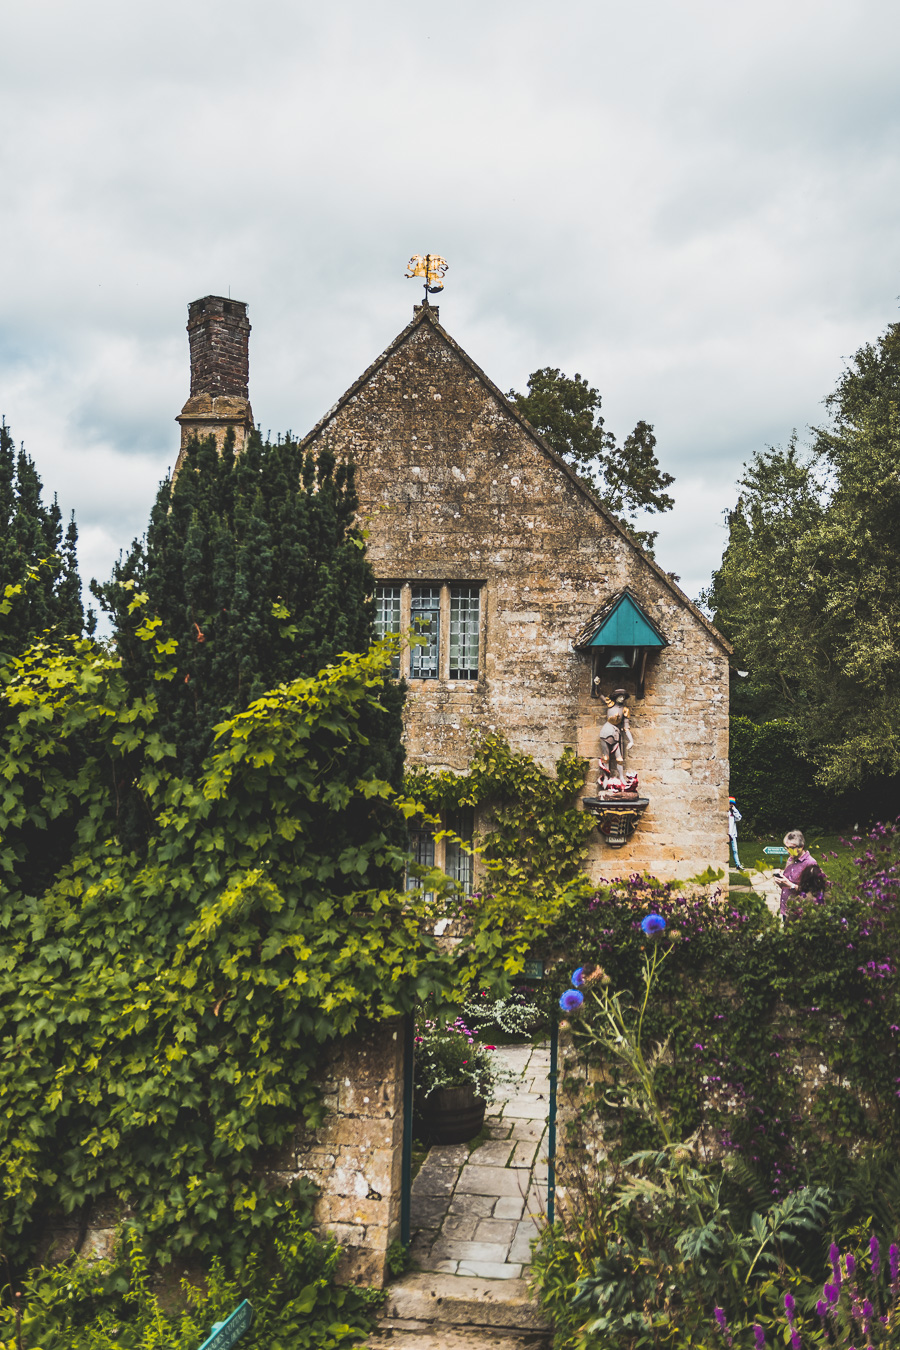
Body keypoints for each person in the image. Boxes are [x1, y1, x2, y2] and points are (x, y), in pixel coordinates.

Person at [772, 830, 821, 916]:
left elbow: (813, 891)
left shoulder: (810, 863)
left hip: (799, 911)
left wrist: (790, 885)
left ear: (801, 847)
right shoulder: (790, 859)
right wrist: (781, 880)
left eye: (791, 848)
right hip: (786, 908)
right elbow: (789, 881)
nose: (788, 851)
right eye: (786, 847)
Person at [728, 798, 742, 869]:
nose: (730, 805)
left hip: (733, 834)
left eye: (732, 804)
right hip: (727, 834)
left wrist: (734, 810)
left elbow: (739, 818)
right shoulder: (726, 812)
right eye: (730, 803)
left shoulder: (734, 812)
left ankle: (738, 865)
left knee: (735, 850)